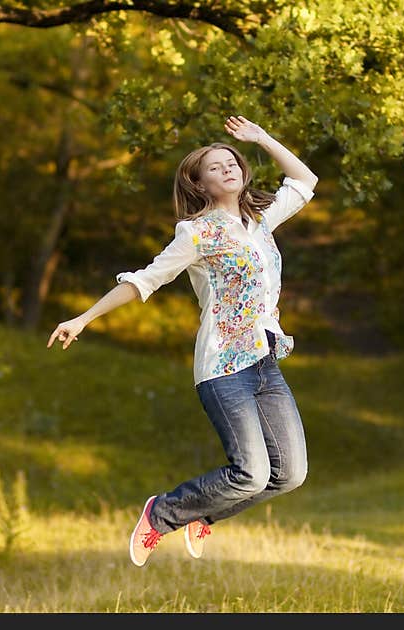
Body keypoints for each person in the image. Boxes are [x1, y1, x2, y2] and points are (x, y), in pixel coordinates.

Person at [47, 115, 318, 566]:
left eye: (231, 160)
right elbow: (144, 281)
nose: (227, 168)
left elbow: (305, 180)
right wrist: (84, 317)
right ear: (199, 184)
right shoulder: (196, 233)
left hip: (265, 363)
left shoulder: (260, 221)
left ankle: (203, 513)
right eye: (214, 167)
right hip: (222, 369)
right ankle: (164, 512)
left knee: (290, 474)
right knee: (251, 474)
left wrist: (262, 138)